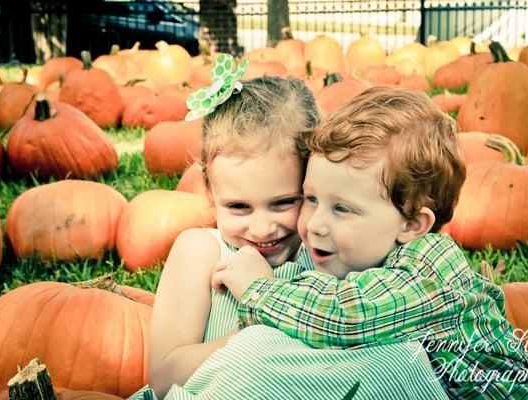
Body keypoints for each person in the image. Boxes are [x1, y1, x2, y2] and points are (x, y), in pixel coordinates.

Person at [212, 86, 528, 399]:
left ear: (412, 224)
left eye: (342, 209)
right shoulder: (365, 253)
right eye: (311, 199)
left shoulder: (427, 274)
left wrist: (259, 288)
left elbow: (343, 316)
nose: (315, 224)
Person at [129, 58, 450, 400]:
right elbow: (165, 377)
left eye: (286, 202)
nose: (263, 228)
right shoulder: (201, 252)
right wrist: (264, 326)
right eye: (238, 206)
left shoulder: (329, 251)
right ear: (210, 192)